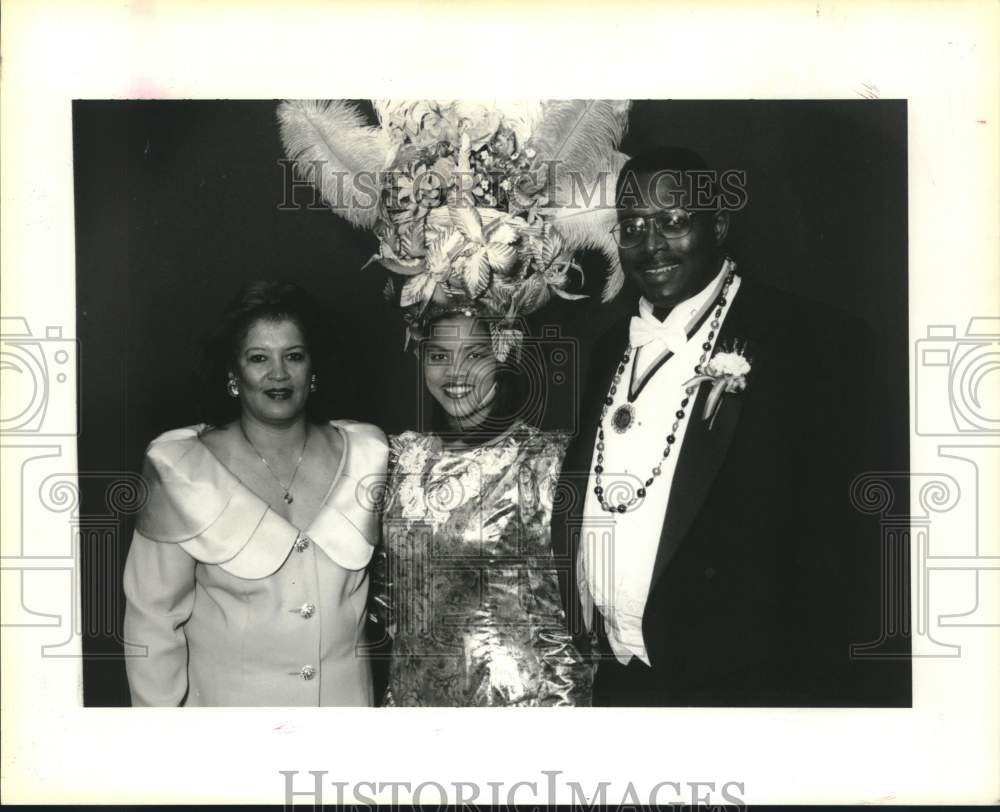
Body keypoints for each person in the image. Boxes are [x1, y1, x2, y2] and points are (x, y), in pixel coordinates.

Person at [553, 145, 904, 706]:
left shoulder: (808, 338)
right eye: (632, 227)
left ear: (717, 225)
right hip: (620, 682)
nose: (650, 245)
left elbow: (854, 540)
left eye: (673, 222)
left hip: (747, 687)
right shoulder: (606, 350)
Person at [123, 281, 388, 706]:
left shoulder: (368, 454)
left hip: (346, 737)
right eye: (259, 358)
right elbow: (152, 622)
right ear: (234, 372)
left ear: (312, 369)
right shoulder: (181, 467)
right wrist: (164, 750)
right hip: (228, 746)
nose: (278, 374)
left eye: (294, 356)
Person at [371, 308, 592, 706]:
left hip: (517, 714)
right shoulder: (401, 458)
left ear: (503, 356)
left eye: (474, 355)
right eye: (439, 355)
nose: (455, 373)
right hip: (413, 710)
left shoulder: (545, 461)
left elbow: (570, 619)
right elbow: (390, 603)